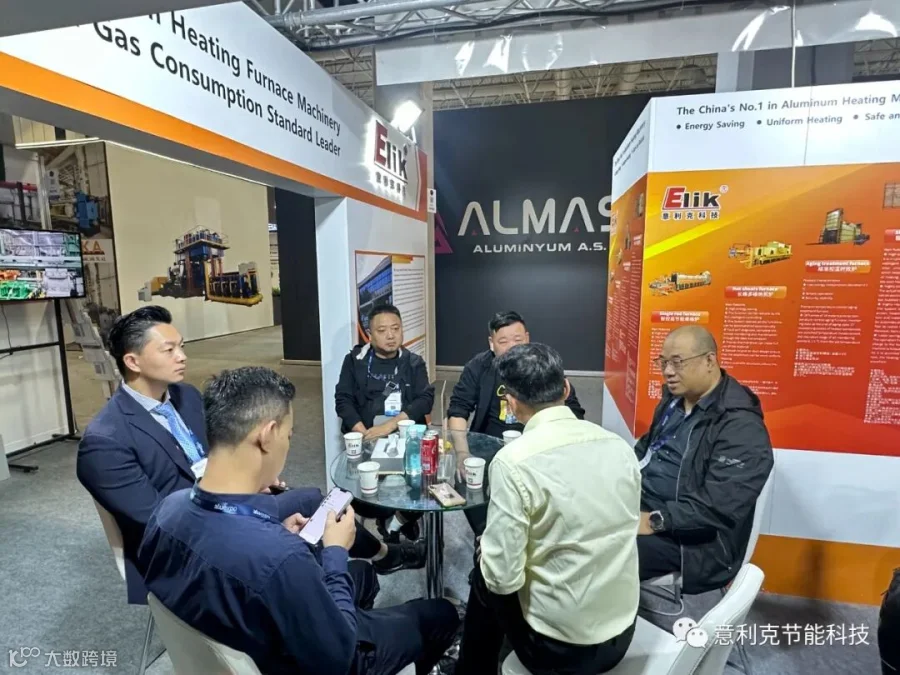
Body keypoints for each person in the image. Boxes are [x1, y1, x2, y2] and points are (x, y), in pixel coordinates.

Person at [76, 307, 411, 606]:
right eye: (169, 350)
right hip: (190, 545)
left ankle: (355, 565)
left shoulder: (186, 396)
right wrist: (243, 500)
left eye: (182, 346)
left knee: (314, 504)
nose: (182, 357)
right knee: (312, 507)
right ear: (132, 362)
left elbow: (222, 453)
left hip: (225, 503)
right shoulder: (106, 441)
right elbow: (161, 523)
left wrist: (253, 478)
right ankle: (362, 564)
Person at [139, 367, 460, 675]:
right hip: (320, 659)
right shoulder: (280, 557)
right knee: (442, 614)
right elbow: (337, 659)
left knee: (363, 575)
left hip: (242, 634)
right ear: (267, 436)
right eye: (289, 436)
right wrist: (335, 551)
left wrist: (277, 532)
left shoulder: (167, 510)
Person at [456, 344, 640, 675]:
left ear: (511, 403)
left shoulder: (512, 463)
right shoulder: (619, 447)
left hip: (559, 651)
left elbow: (503, 579)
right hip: (623, 634)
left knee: (486, 571)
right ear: (566, 388)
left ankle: (470, 670)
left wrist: (490, 551)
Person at [635, 325, 774, 594]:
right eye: (663, 362)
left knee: (599, 554)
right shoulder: (673, 402)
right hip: (647, 506)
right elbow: (645, 450)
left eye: (678, 362)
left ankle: (604, 617)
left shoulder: (740, 427)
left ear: (710, 361)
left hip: (695, 542)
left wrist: (652, 521)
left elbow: (716, 508)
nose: (668, 371)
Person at [446, 311, 585, 535]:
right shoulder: (478, 367)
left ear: (527, 338)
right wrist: (462, 452)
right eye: (503, 341)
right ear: (491, 343)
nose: (512, 347)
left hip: (539, 447)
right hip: (487, 447)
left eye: (518, 340)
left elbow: (574, 412)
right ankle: (484, 537)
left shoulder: (542, 366)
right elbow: (458, 409)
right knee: (468, 482)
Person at [335, 303, 432, 545]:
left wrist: (388, 426)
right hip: (367, 441)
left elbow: (425, 400)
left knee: (426, 486)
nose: (390, 335)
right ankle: (390, 518)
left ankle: (397, 521)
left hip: (406, 442)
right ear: (370, 334)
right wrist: (364, 433)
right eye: (382, 330)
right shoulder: (354, 361)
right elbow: (343, 400)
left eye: (396, 329)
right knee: (364, 497)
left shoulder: (413, 362)